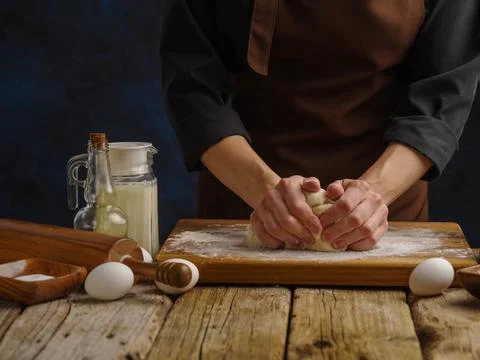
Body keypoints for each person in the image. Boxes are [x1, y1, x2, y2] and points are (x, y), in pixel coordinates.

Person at [160, 0, 479, 251]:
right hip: (243, 207)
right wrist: (264, 190)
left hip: (385, 220)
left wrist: (373, 195)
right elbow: (193, 87)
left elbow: (441, 95)